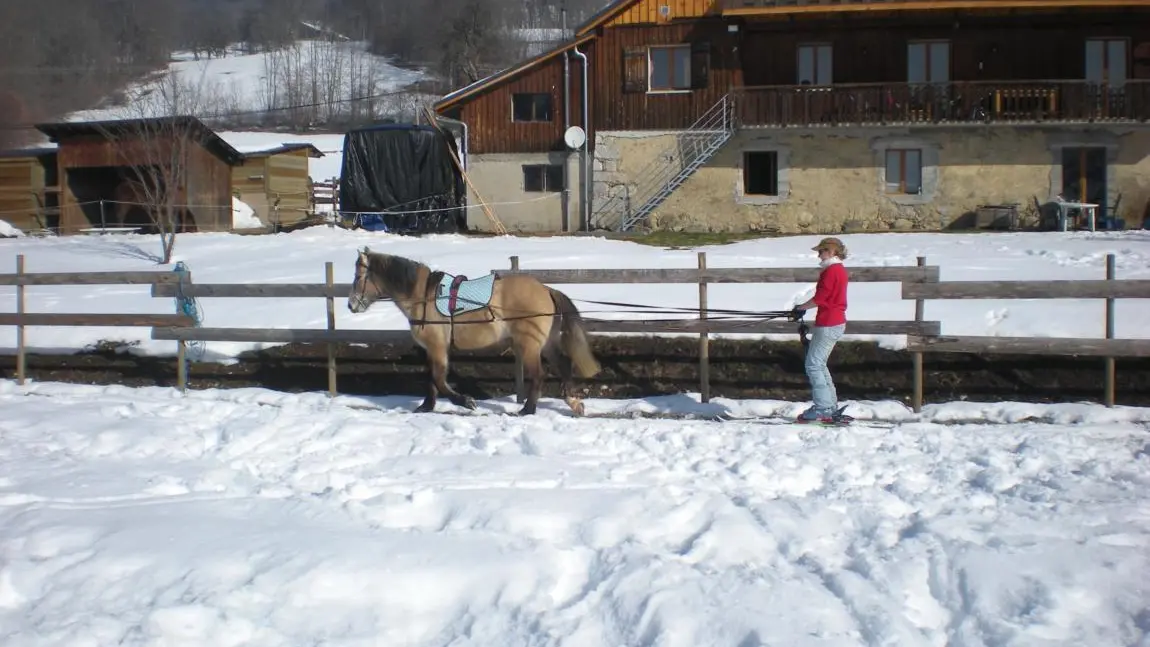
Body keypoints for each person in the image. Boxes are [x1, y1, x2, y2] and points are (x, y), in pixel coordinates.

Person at [789, 237, 849, 423]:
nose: (819, 255)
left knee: (813, 365)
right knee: (819, 364)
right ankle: (829, 406)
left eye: (821, 251)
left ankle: (823, 408)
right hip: (834, 322)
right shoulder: (839, 270)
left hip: (829, 323)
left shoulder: (831, 272)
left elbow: (821, 298)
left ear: (831, 252)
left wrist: (801, 307)